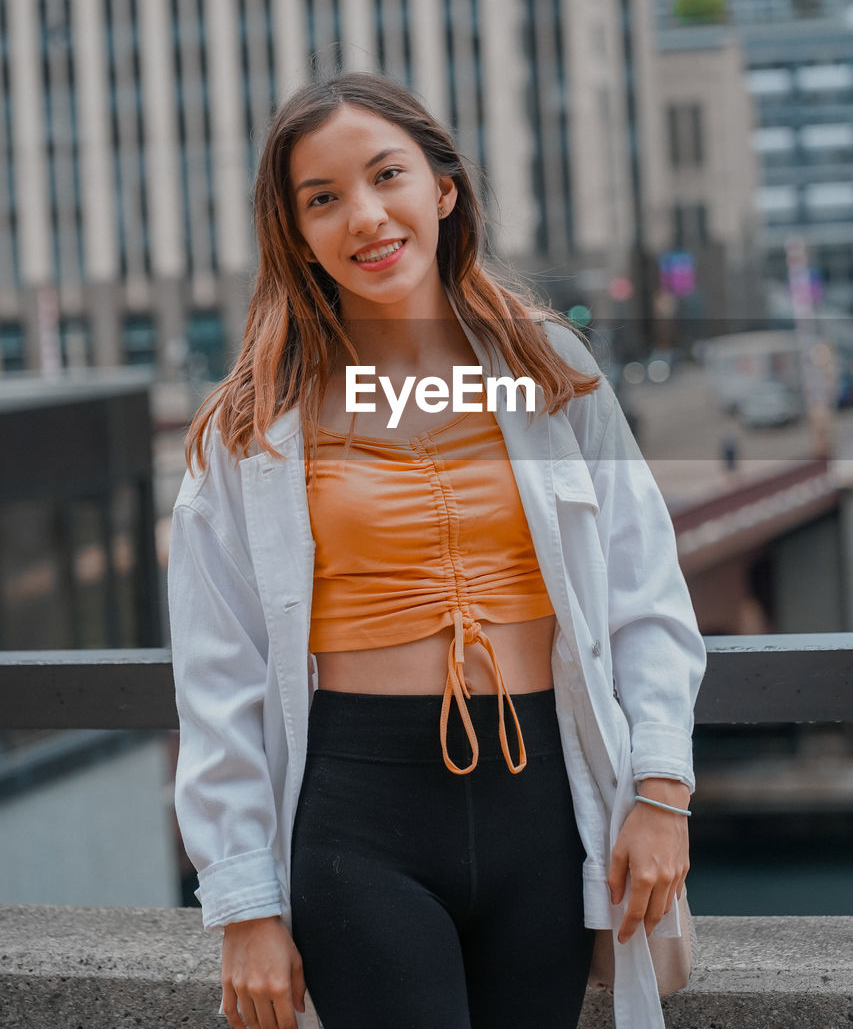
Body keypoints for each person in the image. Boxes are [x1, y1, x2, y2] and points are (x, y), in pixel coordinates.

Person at [167, 72, 707, 1029]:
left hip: (544, 810)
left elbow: (645, 588)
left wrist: (661, 791)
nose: (365, 217)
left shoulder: (551, 369)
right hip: (359, 821)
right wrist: (244, 907)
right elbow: (219, 681)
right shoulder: (251, 429)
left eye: (387, 177)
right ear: (293, 233)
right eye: (322, 199)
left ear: (443, 189)